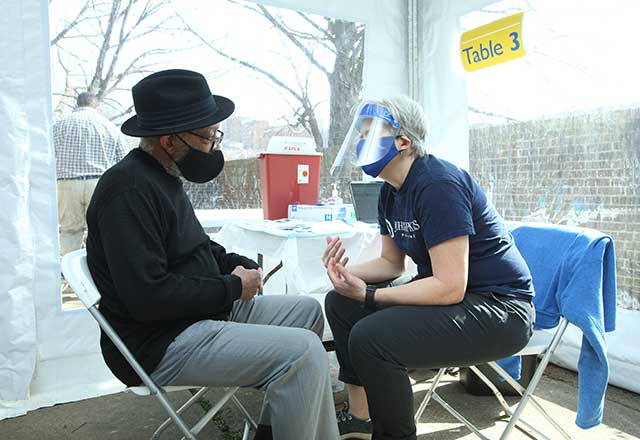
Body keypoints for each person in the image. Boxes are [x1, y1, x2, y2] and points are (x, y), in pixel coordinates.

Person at [85, 69, 339, 440]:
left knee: (305, 312)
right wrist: (231, 288)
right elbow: (147, 298)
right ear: (170, 141)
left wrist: (232, 264)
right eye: (207, 137)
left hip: (196, 314)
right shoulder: (128, 192)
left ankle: (277, 426)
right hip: (158, 340)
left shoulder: (162, 174)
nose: (214, 146)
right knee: (302, 353)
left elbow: (194, 248)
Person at [323, 96, 535, 440]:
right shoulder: (389, 191)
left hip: (500, 310)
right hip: (458, 297)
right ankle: (361, 418)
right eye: (359, 135)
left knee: (372, 338)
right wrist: (348, 275)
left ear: (403, 142)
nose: (360, 142)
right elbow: (392, 263)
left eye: (369, 133)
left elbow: (450, 285)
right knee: (341, 301)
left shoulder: (438, 185)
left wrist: (372, 295)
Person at [54, 92, 128, 256]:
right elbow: (124, 160)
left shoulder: (59, 125)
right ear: (96, 105)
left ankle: (69, 274)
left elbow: (48, 155)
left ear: (77, 104)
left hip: (67, 183)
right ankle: (97, 274)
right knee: (101, 231)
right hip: (100, 183)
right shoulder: (109, 126)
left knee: (69, 231)